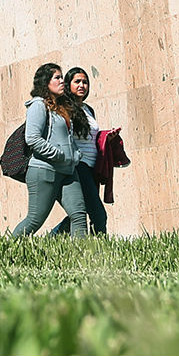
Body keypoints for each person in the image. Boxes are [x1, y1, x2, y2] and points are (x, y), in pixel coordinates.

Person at [9, 62, 89, 237]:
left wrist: (75, 155)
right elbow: (32, 138)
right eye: (57, 78)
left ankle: (84, 260)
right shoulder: (38, 105)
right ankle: (6, 252)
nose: (62, 81)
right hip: (44, 170)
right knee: (34, 220)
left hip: (68, 171)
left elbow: (67, 138)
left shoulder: (62, 108)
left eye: (62, 77)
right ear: (46, 82)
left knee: (78, 215)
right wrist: (59, 155)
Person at [48, 67, 107, 235]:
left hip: (92, 167)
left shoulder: (88, 109)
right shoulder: (65, 108)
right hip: (78, 166)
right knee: (98, 214)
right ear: (68, 85)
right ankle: (101, 251)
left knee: (81, 212)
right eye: (77, 82)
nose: (82, 85)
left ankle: (56, 235)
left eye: (85, 82)